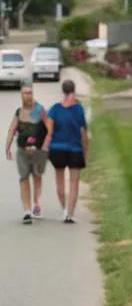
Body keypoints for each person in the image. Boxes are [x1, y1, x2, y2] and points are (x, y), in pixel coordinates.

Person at [5, 83, 50, 224]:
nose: (28, 95)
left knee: (37, 178)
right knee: (24, 179)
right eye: (25, 93)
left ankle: (37, 205)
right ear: (21, 95)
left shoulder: (40, 110)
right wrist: (7, 146)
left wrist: (44, 147)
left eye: (30, 92)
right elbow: (12, 129)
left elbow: (50, 129)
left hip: (39, 153)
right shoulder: (19, 112)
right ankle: (26, 212)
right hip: (23, 152)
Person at [45, 79, 89, 225]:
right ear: (74, 90)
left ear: (63, 91)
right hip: (75, 149)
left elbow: (49, 131)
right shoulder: (79, 109)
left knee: (59, 181)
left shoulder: (54, 109)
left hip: (57, 149)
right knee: (74, 182)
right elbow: (83, 132)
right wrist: (85, 152)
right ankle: (70, 213)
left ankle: (64, 210)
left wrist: (46, 145)